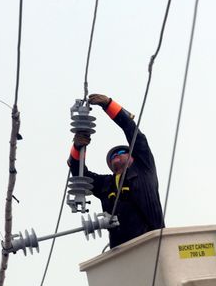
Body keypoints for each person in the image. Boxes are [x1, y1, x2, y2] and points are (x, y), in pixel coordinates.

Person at [68, 93, 165, 248]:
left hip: (152, 242)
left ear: (133, 157)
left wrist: (109, 104)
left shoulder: (144, 168)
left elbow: (133, 132)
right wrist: (78, 147)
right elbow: (78, 174)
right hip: (121, 252)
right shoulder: (106, 184)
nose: (115, 156)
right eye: (112, 156)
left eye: (121, 153)